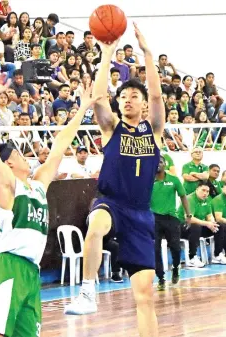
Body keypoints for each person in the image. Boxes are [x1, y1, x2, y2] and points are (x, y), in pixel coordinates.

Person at [0, 71, 100, 336]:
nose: (25, 156)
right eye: (19, 153)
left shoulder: (39, 184)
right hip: (9, 265)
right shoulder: (7, 184)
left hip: (31, 271)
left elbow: (60, 144)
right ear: (9, 163)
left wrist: (83, 108)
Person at [64, 23, 165, 337]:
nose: (128, 100)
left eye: (134, 96)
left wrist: (148, 53)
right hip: (111, 200)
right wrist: (106, 53)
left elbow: (158, 93)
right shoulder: (112, 129)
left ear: (144, 104)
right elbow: (97, 98)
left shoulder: (155, 131)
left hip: (140, 213)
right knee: (95, 227)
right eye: (123, 97)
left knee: (145, 297)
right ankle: (88, 291)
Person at [151, 155, 190, 290]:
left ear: (165, 164)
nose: (158, 164)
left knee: (175, 247)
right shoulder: (147, 181)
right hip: (153, 219)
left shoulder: (173, 180)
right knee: (155, 250)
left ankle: (175, 267)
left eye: (160, 162)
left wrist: (188, 214)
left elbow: (183, 196)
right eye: (155, 162)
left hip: (171, 218)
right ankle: (161, 278)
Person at [178, 181, 221, 267]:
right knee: (195, 226)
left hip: (197, 228)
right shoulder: (189, 199)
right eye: (203, 190)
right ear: (197, 189)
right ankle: (192, 257)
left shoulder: (207, 200)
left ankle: (217, 255)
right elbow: (189, 218)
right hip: (181, 227)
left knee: (220, 226)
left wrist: (212, 223)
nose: (205, 193)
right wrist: (207, 223)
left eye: (207, 191)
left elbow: (209, 216)